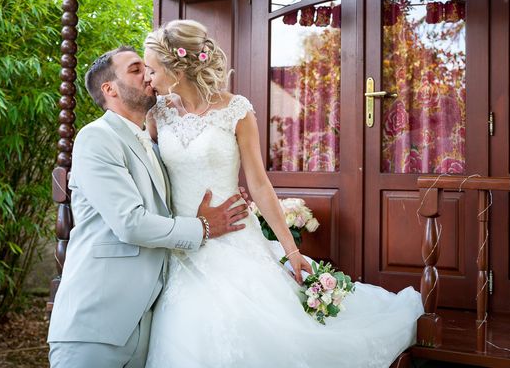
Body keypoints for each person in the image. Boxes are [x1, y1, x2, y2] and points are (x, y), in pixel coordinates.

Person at [143, 20, 425, 368]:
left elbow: (259, 183)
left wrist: (291, 251)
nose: (147, 78)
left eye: (152, 69)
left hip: (233, 237)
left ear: (176, 69)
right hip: (184, 241)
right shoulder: (157, 114)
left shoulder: (236, 109)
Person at [47, 45, 250, 368]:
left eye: (148, 68)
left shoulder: (150, 145)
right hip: (97, 324)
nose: (149, 75)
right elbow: (130, 222)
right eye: (135, 69)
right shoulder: (96, 138)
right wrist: (204, 226)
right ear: (109, 89)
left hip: (149, 326)